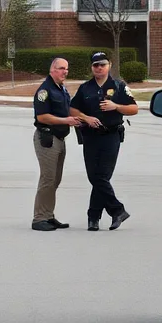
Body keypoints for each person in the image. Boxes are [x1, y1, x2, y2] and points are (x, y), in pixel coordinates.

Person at [70, 51, 138, 231]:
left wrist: (116, 106)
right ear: (91, 67)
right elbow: (73, 110)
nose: (99, 68)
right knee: (94, 176)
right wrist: (86, 118)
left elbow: (133, 109)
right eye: (95, 65)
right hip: (91, 137)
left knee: (102, 177)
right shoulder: (85, 88)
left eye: (102, 64)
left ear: (109, 66)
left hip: (111, 136)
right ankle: (117, 211)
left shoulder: (119, 86)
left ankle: (94, 217)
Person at [31, 57, 81, 231]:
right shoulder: (45, 91)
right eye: (61, 68)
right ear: (52, 70)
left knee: (55, 179)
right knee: (48, 178)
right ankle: (39, 219)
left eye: (66, 69)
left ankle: (48, 215)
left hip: (59, 139)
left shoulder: (61, 89)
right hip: (47, 139)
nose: (65, 72)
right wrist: (65, 120)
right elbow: (42, 117)